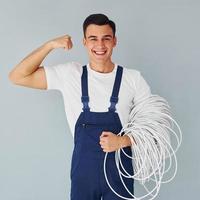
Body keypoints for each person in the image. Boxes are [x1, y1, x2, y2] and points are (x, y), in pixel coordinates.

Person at [9, 13, 151, 200]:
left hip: (120, 175)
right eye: (93, 39)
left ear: (114, 41)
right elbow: (17, 76)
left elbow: (154, 130)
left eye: (106, 39)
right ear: (84, 42)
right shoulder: (70, 74)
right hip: (84, 175)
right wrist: (49, 45)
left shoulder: (133, 79)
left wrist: (122, 142)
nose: (100, 45)